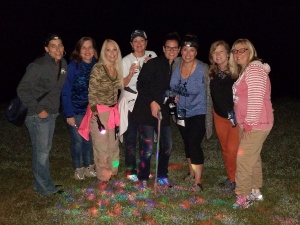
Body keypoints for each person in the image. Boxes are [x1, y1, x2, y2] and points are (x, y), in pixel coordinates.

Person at [17, 33, 67, 195]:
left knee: (43, 151)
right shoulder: (38, 66)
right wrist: (39, 110)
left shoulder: (63, 64)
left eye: (60, 45)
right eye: (53, 46)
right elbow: (22, 90)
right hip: (37, 115)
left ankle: (41, 184)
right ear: (47, 49)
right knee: (42, 153)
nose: (57, 49)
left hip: (52, 114)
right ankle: (45, 188)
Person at [130, 32, 181, 188]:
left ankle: (162, 175)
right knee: (148, 147)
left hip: (163, 111)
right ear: (163, 49)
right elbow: (141, 85)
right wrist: (152, 102)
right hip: (146, 110)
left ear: (178, 50)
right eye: (168, 48)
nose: (171, 51)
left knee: (167, 145)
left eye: (174, 48)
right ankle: (143, 177)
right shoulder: (153, 64)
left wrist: (174, 97)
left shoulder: (177, 66)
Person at [229, 39, 274, 209]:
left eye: (243, 50)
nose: (238, 54)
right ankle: (255, 190)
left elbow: (256, 99)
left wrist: (249, 123)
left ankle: (243, 196)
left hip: (255, 122)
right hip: (250, 121)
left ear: (251, 51)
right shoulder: (248, 69)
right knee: (252, 158)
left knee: (243, 158)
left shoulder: (254, 69)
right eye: (235, 51)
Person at [170, 34, 213, 191]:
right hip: (181, 113)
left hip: (199, 112)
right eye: (185, 50)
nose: (188, 54)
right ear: (181, 50)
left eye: (192, 50)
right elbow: (171, 86)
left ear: (196, 52)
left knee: (194, 143)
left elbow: (211, 90)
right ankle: (190, 172)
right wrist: (172, 95)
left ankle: (198, 181)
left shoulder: (203, 69)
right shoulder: (176, 64)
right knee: (187, 143)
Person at [78, 39, 123, 182]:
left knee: (114, 146)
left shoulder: (117, 68)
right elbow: (91, 92)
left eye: (114, 49)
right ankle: (104, 175)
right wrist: (95, 113)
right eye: (108, 50)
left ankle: (114, 170)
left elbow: (120, 87)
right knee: (101, 148)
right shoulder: (98, 68)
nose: (111, 53)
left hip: (113, 112)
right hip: (100, 113)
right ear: (103, 52)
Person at [119, 30, 157, 182]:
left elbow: (156, 79)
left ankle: (144, 170)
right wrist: (129, 74)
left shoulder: (152, 56)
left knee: (146, 140)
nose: (139, 44)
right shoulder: (125, 60)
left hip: (146, 102)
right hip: (130, 102)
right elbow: (121, 85)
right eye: (135, 41)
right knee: (130, 140)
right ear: (131, 44)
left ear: (146, 43)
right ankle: (130, 171)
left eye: (142, 40)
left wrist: (148, 68)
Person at [61, 37, 98, 180]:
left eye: (90, 47)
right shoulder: (73, 66)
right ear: (79, 50)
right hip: (75, 111)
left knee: (88, 139)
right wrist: (69, 114)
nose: (88, 51)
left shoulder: (97, 66)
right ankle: (78, 168)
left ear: (94, 50)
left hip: (90, 111)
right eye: (84, 47)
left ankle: (89, 166)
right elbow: (66, 91)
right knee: (77, 140)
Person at [208, 40, 239, 191]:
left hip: (235, 117)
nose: (218, 55)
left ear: (228, 54)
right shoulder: (212, 73)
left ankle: (238, 179)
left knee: (233, 149)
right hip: (219, 116)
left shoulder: (237, 72)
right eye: (215, 52)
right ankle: (231, 178)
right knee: (225, 148)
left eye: (221, 51)